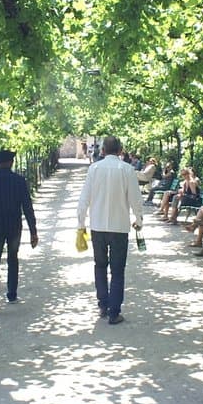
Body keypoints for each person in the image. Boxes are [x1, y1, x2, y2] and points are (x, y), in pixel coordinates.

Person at [76, 135, 143, 325]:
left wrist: (81, 224)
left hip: (97, 226)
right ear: (120, 150)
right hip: (120, 227)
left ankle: (103, 305)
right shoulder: (127, 170)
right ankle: (114, 311)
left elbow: (84, 199)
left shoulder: (94, 169)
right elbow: (135, 199)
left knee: (99, 266)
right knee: (117, 269)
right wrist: (138, 220)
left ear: (103, 150)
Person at [0, 149, 39, 316]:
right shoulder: (19, 181)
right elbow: (27, 207)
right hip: (14, 227)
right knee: (12, 258)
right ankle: (11, 294)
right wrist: (33, 231)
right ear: (11, 163)